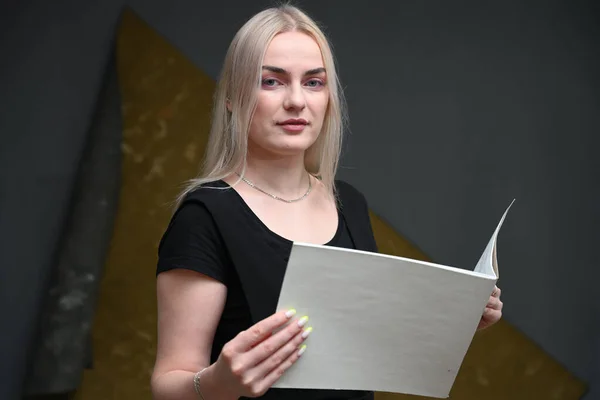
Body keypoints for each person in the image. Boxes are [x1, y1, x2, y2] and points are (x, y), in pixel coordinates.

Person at [150, 4, 504, 400]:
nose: (297, 101)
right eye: (272, 81)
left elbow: (365, 338)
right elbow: (169, 382)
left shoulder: (348, 204)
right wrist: (219, 383)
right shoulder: (204, 216)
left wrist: (453, 316)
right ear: (232, 96)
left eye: (314, 83)